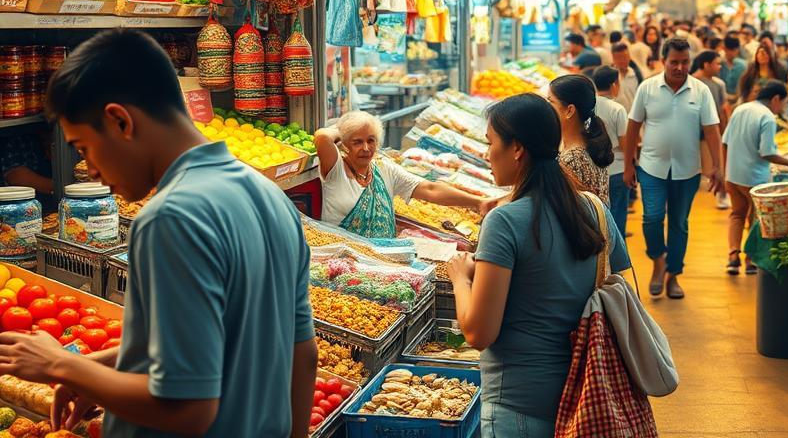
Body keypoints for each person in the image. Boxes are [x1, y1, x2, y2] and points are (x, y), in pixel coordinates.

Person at [0, 30, 315, 437]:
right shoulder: (268, 195)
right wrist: (104, 369)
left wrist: (61, 364)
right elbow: (299, 353)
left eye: (83, 149)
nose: (90, 170)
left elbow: (187, 409)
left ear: (120, 121)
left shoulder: (171, 217)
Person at [444, 93, 632, 437]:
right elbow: (621, 291)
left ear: (517, 148)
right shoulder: (593, 211)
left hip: (519, 407)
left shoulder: (504, 221)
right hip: (584, 396)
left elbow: (478, 333)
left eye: (490, 143)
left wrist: (460, 277)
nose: (487, 155)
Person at [625, 38, 724, 300]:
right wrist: (627, 165)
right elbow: (633, 126)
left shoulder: (700, 91)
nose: (680, 67)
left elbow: (712, 131)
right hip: (650, 167)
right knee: (652, 218)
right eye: (674, 62)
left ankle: (673, 275)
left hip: (687, 171)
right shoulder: (647, 88)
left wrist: (718, 167)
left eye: (684, 62)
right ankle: (658, 260)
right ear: (663, 61)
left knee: (679, 223)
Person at [315, 111, 490, 238]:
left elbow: (430, 189)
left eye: (371, 140)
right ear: (345, 144)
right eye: (357, 142)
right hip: (343, 260)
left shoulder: (385, 169)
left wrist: (479, 202)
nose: (366, 148)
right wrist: (345, 130)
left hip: (382, 261)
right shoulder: (336, 170)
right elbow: (322, 137)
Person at [722, 79, 788, 275]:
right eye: (783, 103)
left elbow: (725, 141)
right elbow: (766, 152)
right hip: (754, 178)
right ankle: (750, 260)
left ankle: (733, 257)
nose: (781, 108)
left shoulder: (741, 109)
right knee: (756, 218)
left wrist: (727, 171)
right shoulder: (767, 117)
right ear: (776, 98)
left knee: (737, 214)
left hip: (734, 175)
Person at [547, 74, 615, 205]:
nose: (546, 107)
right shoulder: (590, 143)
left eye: (551, 102)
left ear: (569, 110)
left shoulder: (572, 159)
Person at [591, 67, 631, 236]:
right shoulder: (617, 109)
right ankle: (617, 258)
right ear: (614, 84)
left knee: (598, 217)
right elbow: (624, 144)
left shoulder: (588, 107)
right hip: (617, 168)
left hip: (594, 169)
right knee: (617, 216)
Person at [692, 51, 730, 209]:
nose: (719, 67)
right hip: (692, 132)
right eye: (717, 63)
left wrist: (724, 128)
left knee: (717, 165)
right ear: (706, 65)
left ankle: (721, 194)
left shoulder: (719, 84)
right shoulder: (691, 83)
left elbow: (723, 109)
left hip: (711, 132)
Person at [610, 42, 643, 111]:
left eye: (625, 56)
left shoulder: (636, 75)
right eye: (619, 58)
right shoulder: (610, 77)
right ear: (613, 58)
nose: (623, 60)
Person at [720, 35, 748, 108]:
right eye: (727, 50)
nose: (730, 53)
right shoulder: (720, 64)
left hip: (737, 102)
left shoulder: (742, 65)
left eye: (734, 50)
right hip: (722, 100)